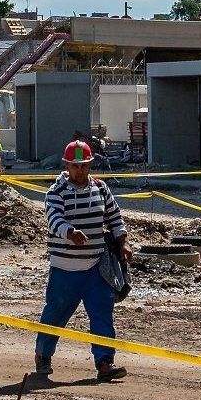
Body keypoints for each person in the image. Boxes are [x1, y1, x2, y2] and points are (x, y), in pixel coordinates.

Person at [32, 140, 128, 384]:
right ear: (66, 165)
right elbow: (54, 220)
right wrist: (69, 232)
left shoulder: (101, 188)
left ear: (90, 165)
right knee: (55, 314)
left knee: (102, 314)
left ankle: (105, 362)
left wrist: (122, 241)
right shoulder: (56, 192)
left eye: (84, 166)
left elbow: (114, 217)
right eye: (75, 167)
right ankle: (43, 356)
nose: (80, 171)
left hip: (96, 268)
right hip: (65, 270)